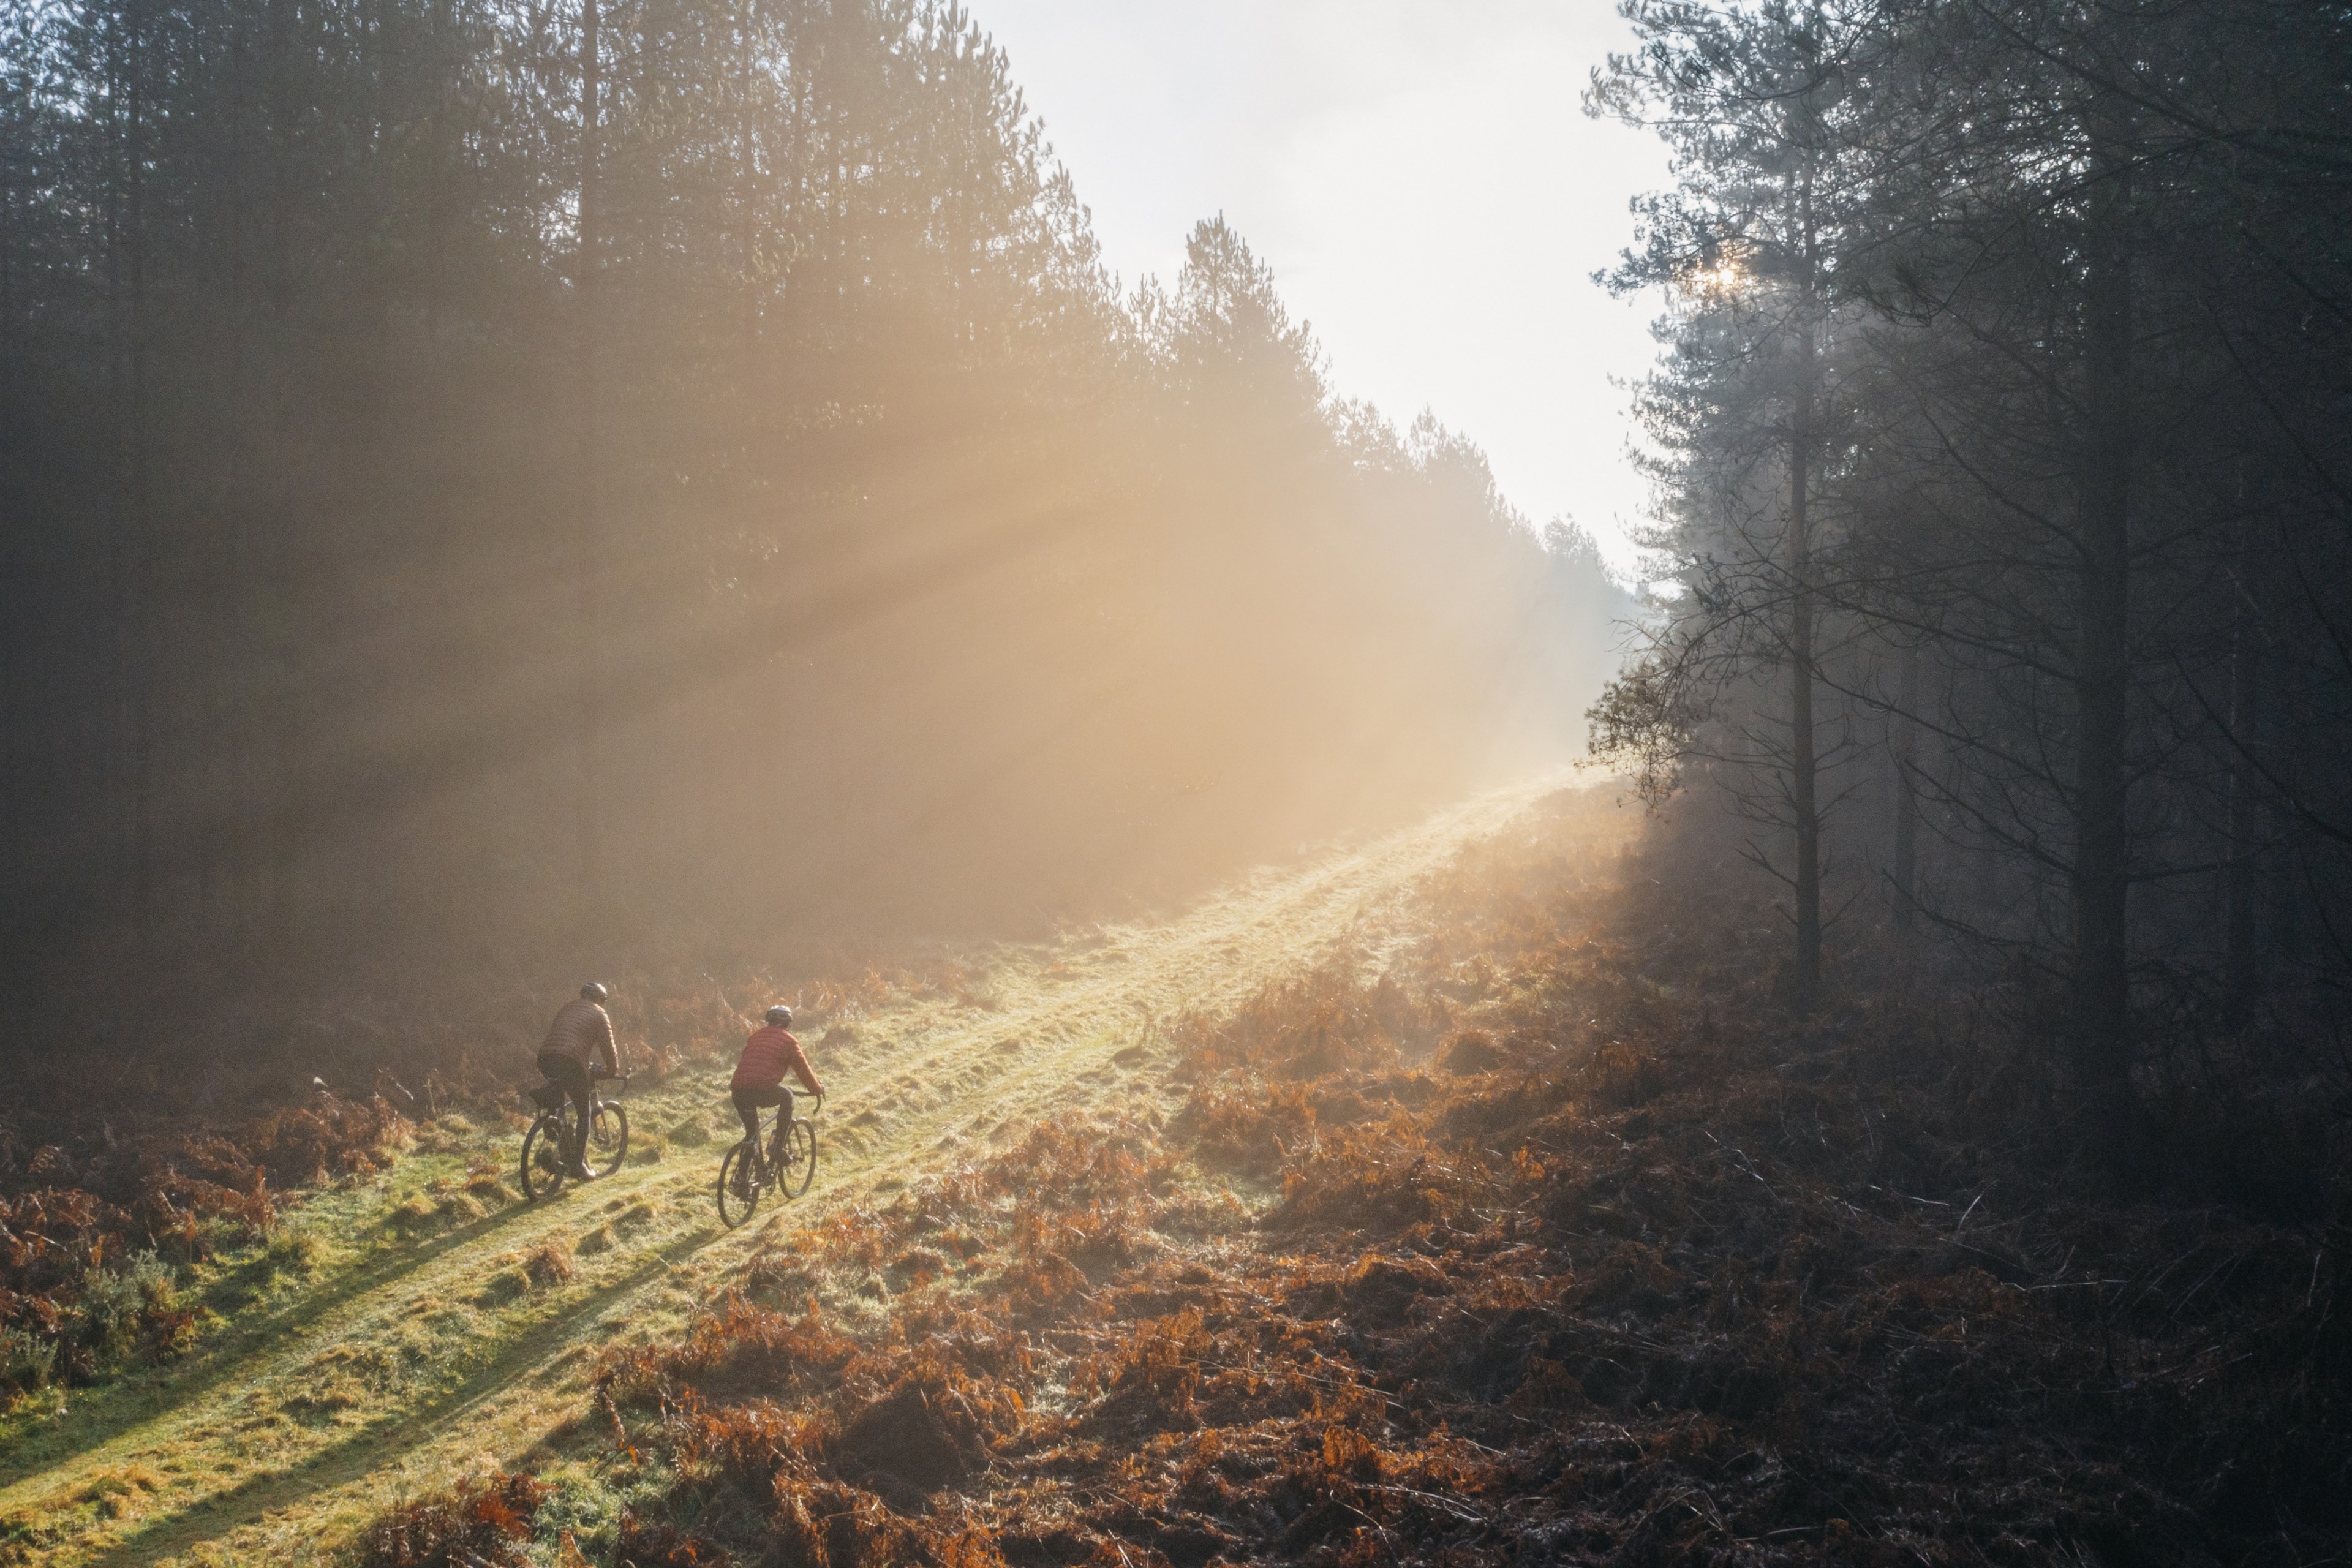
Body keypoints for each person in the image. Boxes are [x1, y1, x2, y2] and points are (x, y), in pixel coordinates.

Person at [540, 982, 620, 1181]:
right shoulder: (599, 1014)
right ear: (601, 1000)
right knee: (584, 1112)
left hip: (546, 1057)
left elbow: (563, 1037)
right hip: (571, 1061)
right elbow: (608, 1050)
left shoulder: (568, 1007)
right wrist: (611, 1071)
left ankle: (552, 1129)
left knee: (558, 1098)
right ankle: (578, 1166)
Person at [731, 1005, 823, 1177]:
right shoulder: (789, 1041)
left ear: (769, 1021)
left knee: (752, 1134)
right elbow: (803, 1070)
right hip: (762, 1088)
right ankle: (777, 1147)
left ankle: (742, 1178)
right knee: (787, 1096)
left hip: (738, 1089)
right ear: (788, 1023)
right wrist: (817, 1089)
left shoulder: (755, 1036)